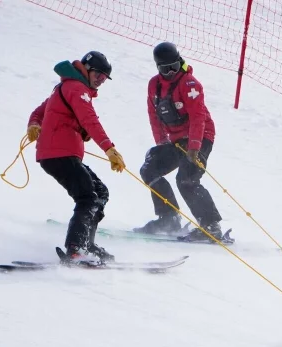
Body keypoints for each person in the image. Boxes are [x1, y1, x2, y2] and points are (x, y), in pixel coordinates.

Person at [26, 51, 126, 262]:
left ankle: (85, 243)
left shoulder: (66, 87)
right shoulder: (76, 88)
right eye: (98, 75)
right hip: (59, 155)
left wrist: (34, 124)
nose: (99, 81)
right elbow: (90, 120)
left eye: (104, 79)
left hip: (61, 155)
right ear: (86, 69)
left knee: (100, 192)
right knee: (87, 197)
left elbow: (39, 112)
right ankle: (76, 249)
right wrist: (110, 149)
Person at [135, 42, 222, 242]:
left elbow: (198, 117)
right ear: (158, 67)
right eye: (165, 69)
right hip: (175, 140)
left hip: (199, 136)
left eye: (175, 66)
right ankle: (168, 218)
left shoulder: (190, 84)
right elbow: (154, 115)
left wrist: (194, 148)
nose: (171, 72)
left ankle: (211, 226)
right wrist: (161, 142)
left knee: (186, 179)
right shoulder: (154, 85)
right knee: (150, 169)